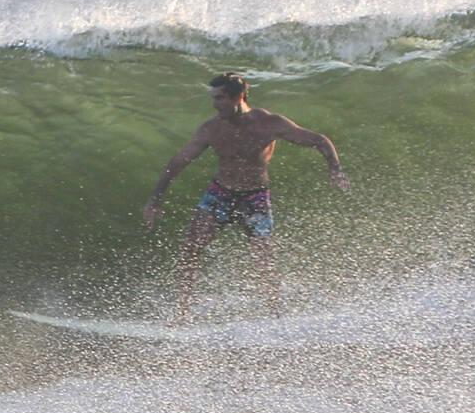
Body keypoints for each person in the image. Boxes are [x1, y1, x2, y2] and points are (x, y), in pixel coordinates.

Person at [143, 72, 350, 320]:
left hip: (255, 198)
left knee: (264, 259)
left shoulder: (269, 124)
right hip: (219, 194)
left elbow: (319, 140)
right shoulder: (211, 129)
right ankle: (181, 313)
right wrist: (155, 199)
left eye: (220, 98)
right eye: (214, 98)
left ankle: (276, 316)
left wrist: (335, 170)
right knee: (191, 247)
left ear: (238, 96)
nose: (215, 104)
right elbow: (177, 162)